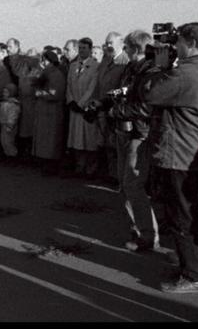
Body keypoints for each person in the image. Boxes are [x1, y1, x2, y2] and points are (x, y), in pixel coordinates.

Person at [142, 22, 198, 294]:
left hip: (178, 153)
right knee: (188, 214)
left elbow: (151, 93)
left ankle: (192, 275)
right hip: (190, 150)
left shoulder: (185, 73)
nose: (175, 47)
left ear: (191, 43)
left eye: (179, 42)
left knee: (181, 216)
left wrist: (159, 67)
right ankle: (193, 266)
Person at [108, 30, 160, 253]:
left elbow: (147, 106)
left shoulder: (150, 71)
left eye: (128, 48)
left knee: (133, 184)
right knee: (125, 184)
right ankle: (138, 229)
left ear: (135, 49)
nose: (125, 52)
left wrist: (119, 110)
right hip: (126, 131)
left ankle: (148, 235)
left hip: (140, 133)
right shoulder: (133, 69)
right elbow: (129, 93)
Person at [89, 32, 129, 185]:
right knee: (104, 143)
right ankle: (110, 173)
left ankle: (118, 177)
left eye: (111, 43)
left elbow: (123, 87)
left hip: (115, 108)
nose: (108, 46)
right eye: (106, 43)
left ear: (121, 42)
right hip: (101, 107)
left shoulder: (125, 61)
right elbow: (99, 84)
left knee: (116, 145)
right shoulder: (105, 61)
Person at [66, 38, 100, 177]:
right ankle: (80, 165)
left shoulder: (95, 66)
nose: (81, 51)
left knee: (89, 140)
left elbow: (92, 88)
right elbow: (68, 85)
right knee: (76, 139)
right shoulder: (73, 66)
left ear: (90, 49)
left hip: (86, 108)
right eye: (80, 48)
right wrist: (71, 101)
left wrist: (81, 103)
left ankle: (91, 168)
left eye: (84, 48)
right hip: (75, 107)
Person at [32, 50, 67, 174]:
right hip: (44, 111)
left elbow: (55, 93)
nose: (43, 62)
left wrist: (39, 93)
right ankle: (45, 162)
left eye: (45, 60)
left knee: (51, 140)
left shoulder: (56, 75)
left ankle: (51, 165)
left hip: (52, 112)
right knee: (45, 140)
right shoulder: (46, 73)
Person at [0, 83, 21, 161]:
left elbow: (13, 115)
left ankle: (13, 156)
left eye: (6, 92)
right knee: (4, 141)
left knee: (9, 142)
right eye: (4, 92)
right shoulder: (4, 103)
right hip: (4, 124)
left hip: (10, 126)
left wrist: (10, 125)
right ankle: (8, 155)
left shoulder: (13, 104)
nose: (4, 94)